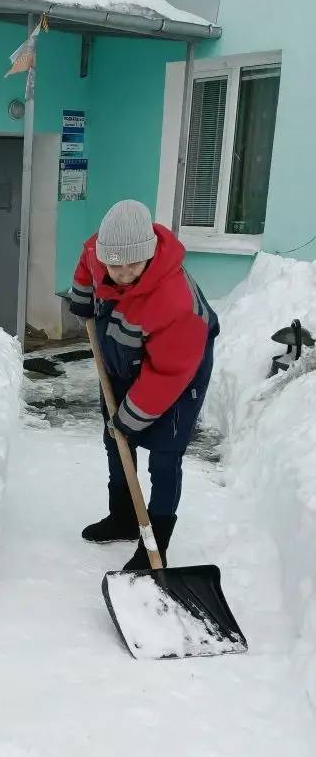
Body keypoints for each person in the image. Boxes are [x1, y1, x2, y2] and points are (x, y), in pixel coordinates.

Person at [65, 199, 219, 570]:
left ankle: (156, 546)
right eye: (114, 265)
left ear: (149, 253)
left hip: (177, 377)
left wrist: (131, 418)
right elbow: (88, 264)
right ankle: (123, 518)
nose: (122, 273)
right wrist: (82, 297)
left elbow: (167, 375)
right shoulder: (99, 252)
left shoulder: (175, 303)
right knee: (116, 441)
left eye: (133, 264)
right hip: (123, 356)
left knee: (165, 458)